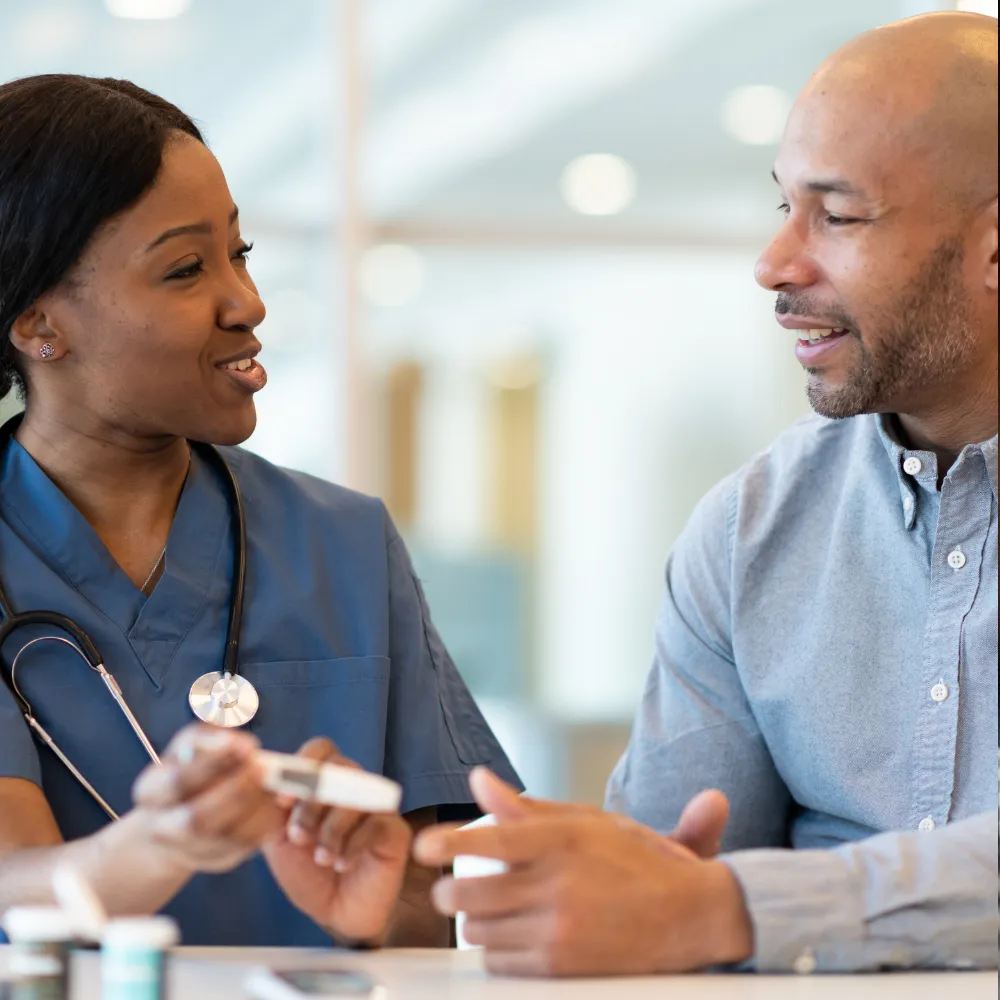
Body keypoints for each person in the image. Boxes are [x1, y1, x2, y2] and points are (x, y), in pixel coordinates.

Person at [414, 11, 999, 977]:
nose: (776, 265)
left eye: (839, 215)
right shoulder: (748, 528)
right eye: (785, 207)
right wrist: (580, 880)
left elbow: (711, 907)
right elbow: (669, 876)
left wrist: (728, 908)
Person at [0, 74, 521, 948]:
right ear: (40, 323)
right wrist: (163, 843)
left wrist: (379, 896)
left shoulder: (346, 542)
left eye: (239, 255)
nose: (247, 304)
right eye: (185, 269)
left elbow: (420, 913)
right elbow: (15, 886)